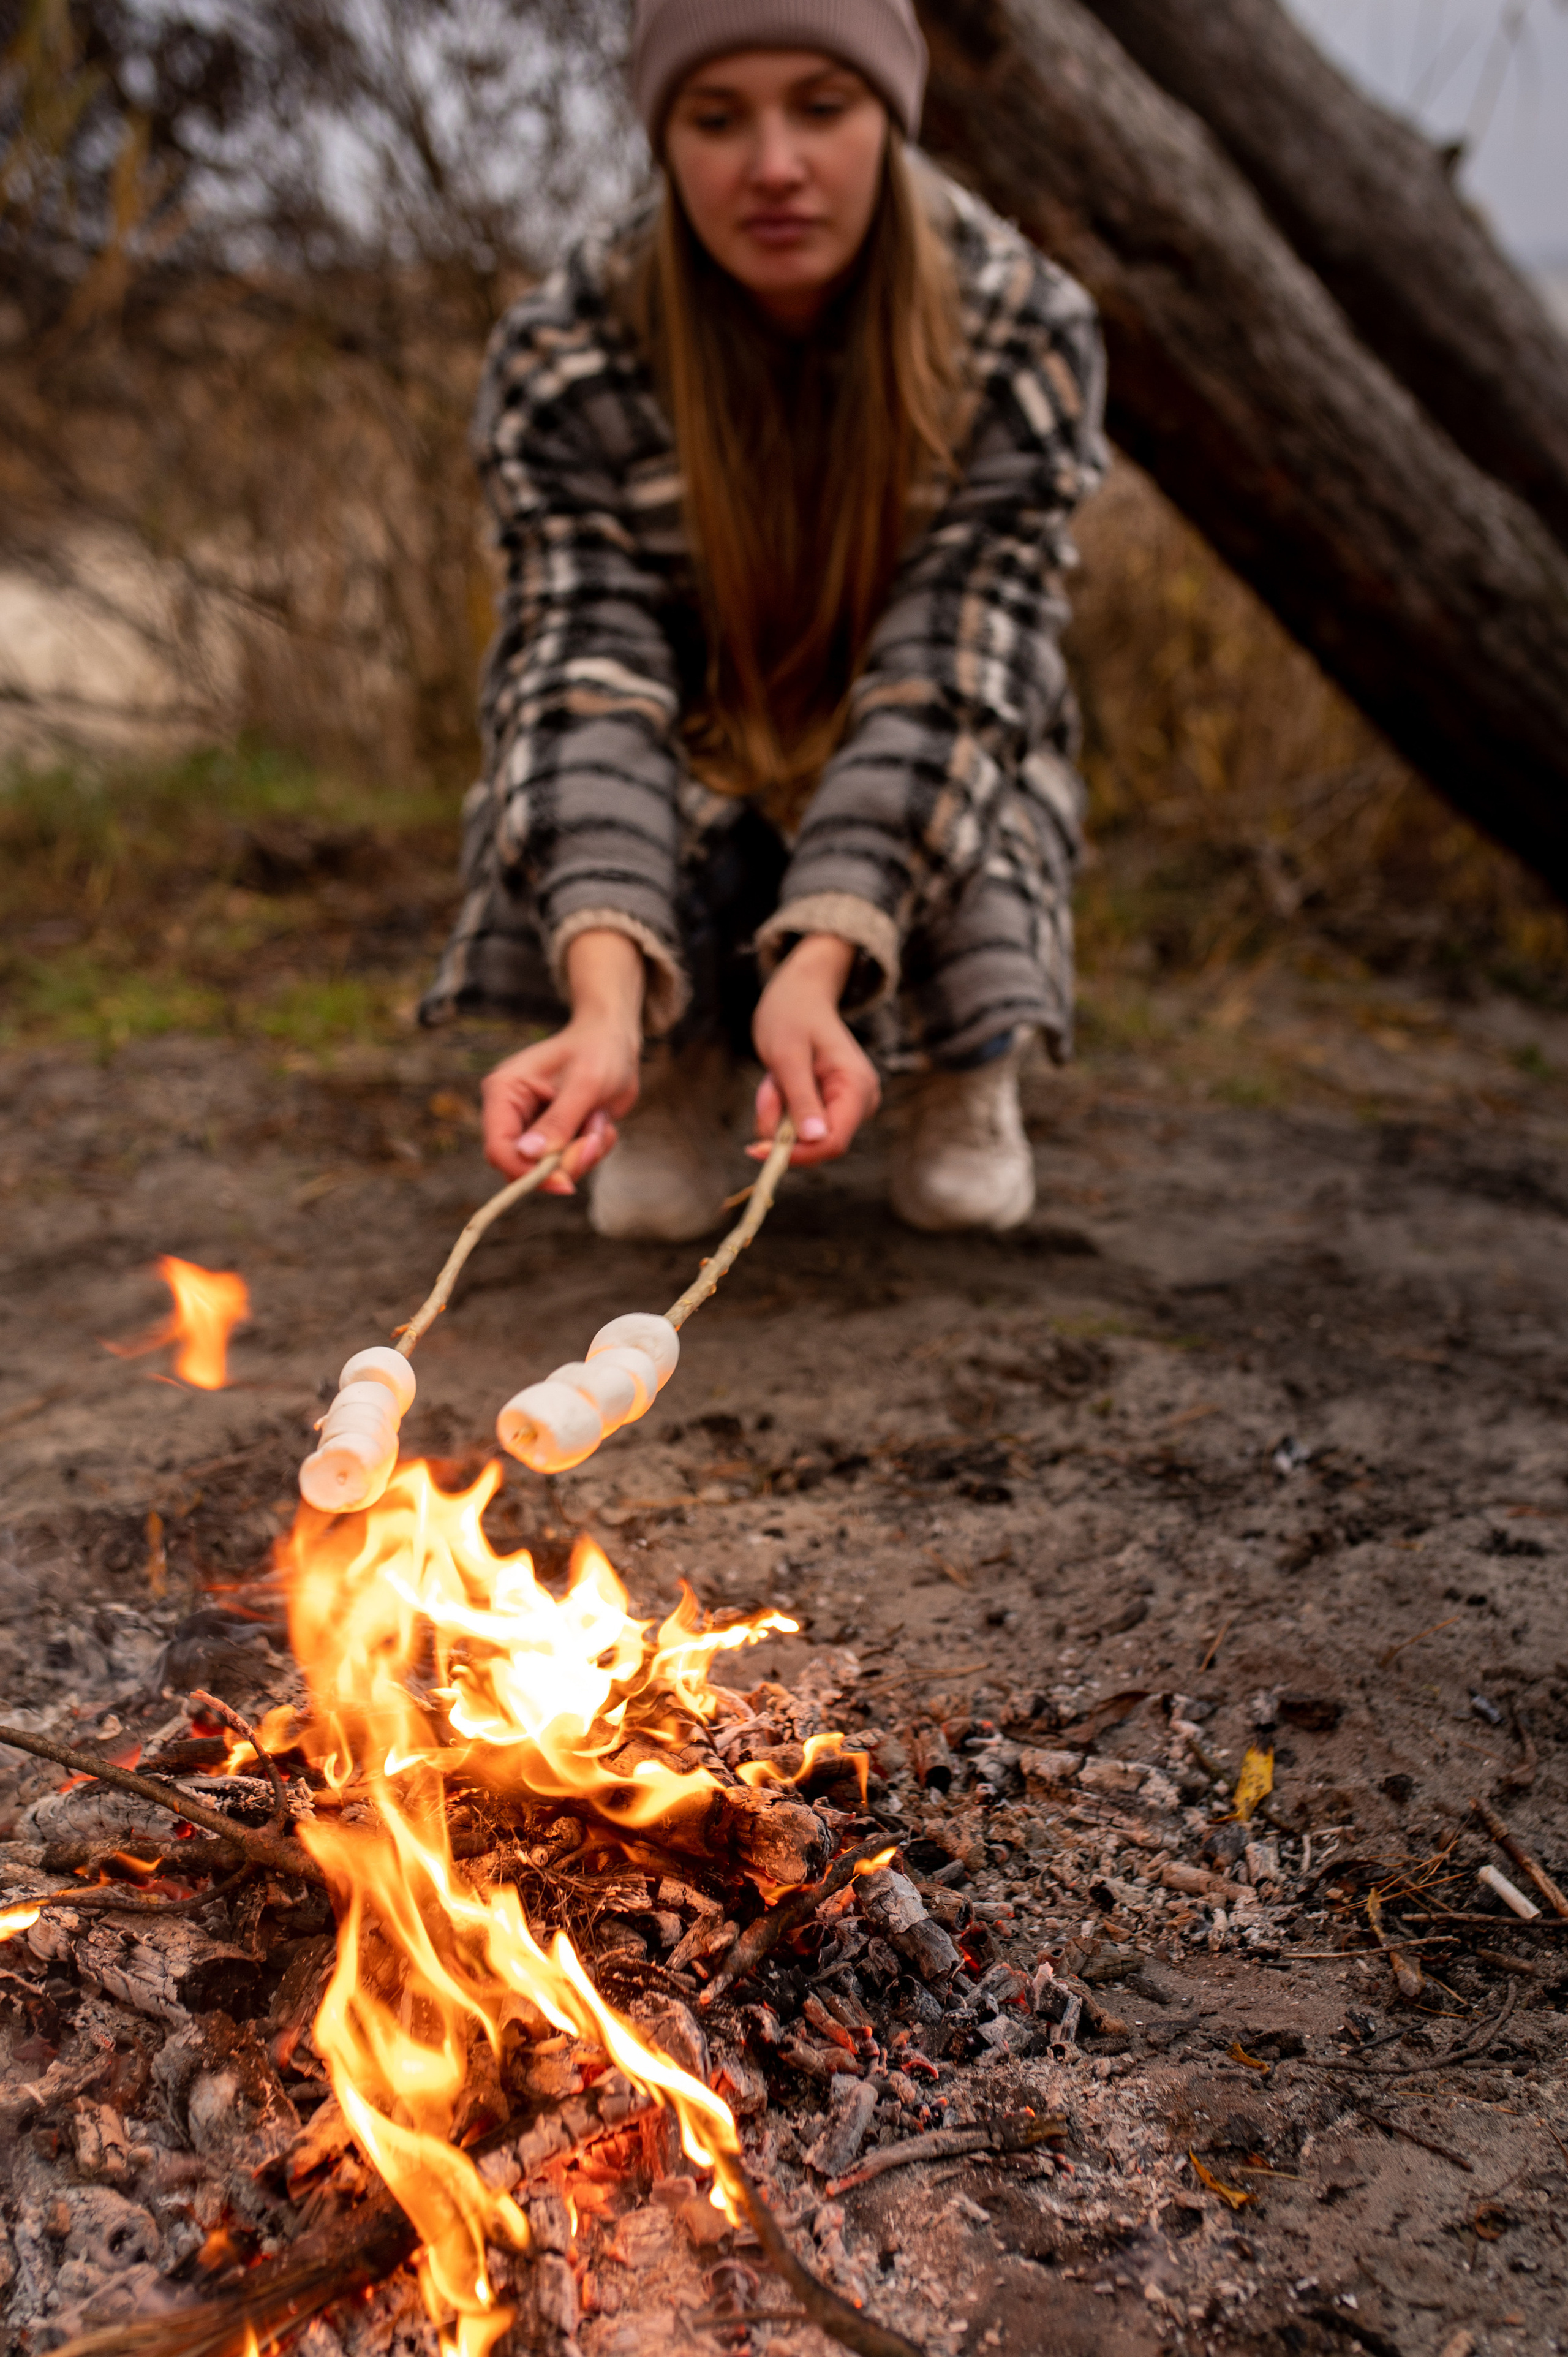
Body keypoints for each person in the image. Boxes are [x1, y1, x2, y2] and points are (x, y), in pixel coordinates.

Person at [420, 0, 1106, 1241]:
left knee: (992, 752)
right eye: (718, 119)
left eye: (822, 109)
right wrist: (604, 999)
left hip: (913, 747)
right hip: (696, 756)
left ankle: (962, 1061)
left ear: (889, 117)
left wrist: (823, 952)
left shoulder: (1024, 327)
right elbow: (579, 682)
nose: (775, 165)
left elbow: (958, 678)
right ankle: (664, 1056)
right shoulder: (565, 346)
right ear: (663, 137)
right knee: (547, 763)